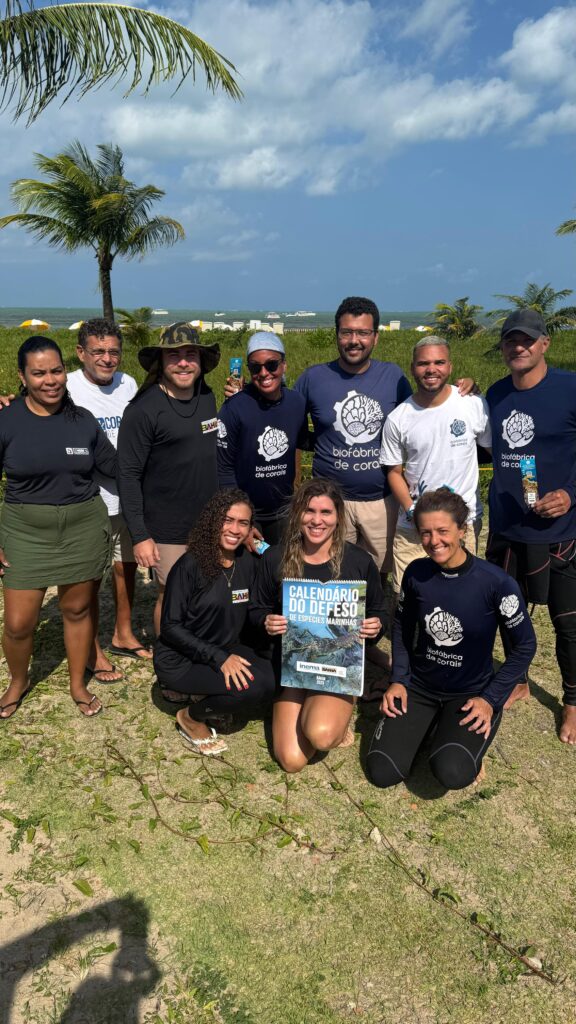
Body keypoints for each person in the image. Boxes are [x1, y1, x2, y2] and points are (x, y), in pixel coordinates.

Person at [366, 489, 536, 790]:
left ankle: (458, 731)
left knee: (453, 772)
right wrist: (398, 679)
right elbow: (403, 628)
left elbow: (525, 646)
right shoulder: (416, 573)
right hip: (419, 687)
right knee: (383, 772)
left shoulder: (497, 583)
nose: (434, 541)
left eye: (443, 531)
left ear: (462, 529)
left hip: (470, 693)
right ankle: (429, 724)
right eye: (426, 533)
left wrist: (490, 699)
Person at [0, 337, 117, 719]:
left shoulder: (82, 420)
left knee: (77, 609)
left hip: (83, 526)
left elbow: (116, 467)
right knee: (18, 624)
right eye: (38, 373)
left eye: (55, 371)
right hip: (25, 531)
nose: (50, 380)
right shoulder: (7, 419)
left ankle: (77, 685)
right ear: (22, 376)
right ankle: (18, 681)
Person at [250, 478, 386, 772]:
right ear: (297, 513)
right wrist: (265, 621)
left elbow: (379, 609)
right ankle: (315, 708)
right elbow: (254, 608)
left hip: (337, 670)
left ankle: (338, 708)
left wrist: (375, 627)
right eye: (309, 511)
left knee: (321, 736)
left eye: (326, 512)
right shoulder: (274, 557)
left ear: (338, 518)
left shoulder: (359, 561)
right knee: (292, 761)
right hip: (293, 669)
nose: (316, 520)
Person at [485, 309, 576, 744]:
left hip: (561, 532)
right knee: (510, 612)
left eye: (526, 340)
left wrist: (571, 495)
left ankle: (572, 702)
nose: (518, 347)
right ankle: (517, 678)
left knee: (568, 623)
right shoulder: (496, 394)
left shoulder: (570, 389)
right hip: (507, 527)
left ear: (544, 344)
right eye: (510, 341)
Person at [154, 489, 276, 755]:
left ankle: (206, 695)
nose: (234, 529)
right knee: (250, 689)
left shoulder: (248, 561)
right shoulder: (190, 565)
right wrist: (219, 658)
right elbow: (170, 627)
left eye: (243, 523)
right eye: (227, 520)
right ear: (213, 521)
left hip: (226, 646)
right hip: (181, 659)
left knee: (270, 677)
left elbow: (278, 562)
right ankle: (191, 717)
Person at [117, 322, 220, 635]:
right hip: (165, 528)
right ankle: (169, 664)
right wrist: (140, 535)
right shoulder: (143, 410)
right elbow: (128, 475)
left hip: (208, 521)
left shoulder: (207, 397)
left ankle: (200, 653)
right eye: (174, 356)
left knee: (205, 591)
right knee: (171, 595)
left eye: (191, 354)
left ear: (201, 362)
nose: (184, 362)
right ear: (160, 363)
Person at [66, 318, 151, 682]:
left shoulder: (128, 383)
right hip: (90, 498)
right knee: (88, 578)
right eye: (98, 351)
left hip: (127, 496)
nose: (107, 359)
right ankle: (91, 649)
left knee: (126, 565)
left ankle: (123, 631)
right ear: (81, 352)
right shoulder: (67, 386)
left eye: (113, 351)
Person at [380, 336, 491, 594]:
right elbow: (394, 472)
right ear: (412, 368)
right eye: (423, 363)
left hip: (460, 525)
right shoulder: (398, 418)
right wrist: (411, 509)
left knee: (460, 595)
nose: (431, 369)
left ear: (450, 367)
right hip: (413, 529)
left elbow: (493, 450)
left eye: (439, 362)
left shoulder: (472, 404)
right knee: (407, 596)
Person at [217, 332, 309, 544]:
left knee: (280, 572)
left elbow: (299, 445)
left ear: (284, 365)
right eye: (256, 367)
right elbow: (223, 469)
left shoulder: (297, 402)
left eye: (272, 365)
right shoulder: (233, 408)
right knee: (251, 571)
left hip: (283, 513)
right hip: (248, 516)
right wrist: (240, 523)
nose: (264, 373)